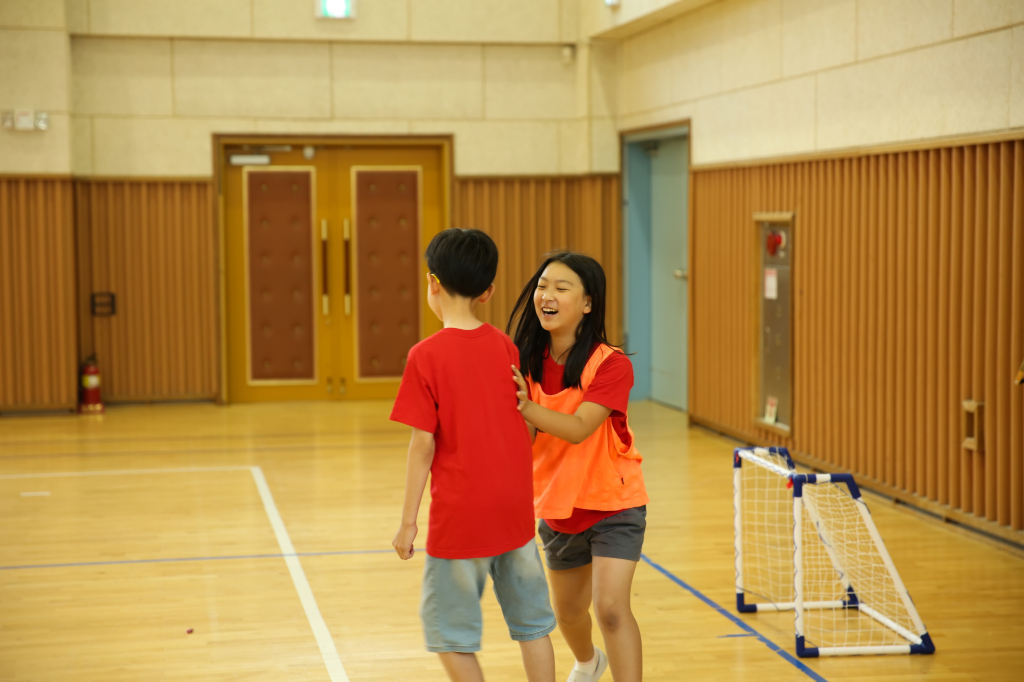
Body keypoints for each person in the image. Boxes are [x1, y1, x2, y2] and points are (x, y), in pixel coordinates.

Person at [391, 228, 557, 682]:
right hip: (515, 512)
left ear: (433, 283)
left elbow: (422, 444)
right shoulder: (505, 346)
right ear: (488, 292)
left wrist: (408, 521)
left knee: (448, 634)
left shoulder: (425, 356)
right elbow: (523, 422)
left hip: (462, 516)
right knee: (533, 626)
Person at [507, 252, 648, 682]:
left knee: (609, 609)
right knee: (568, 614)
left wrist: (525, 406)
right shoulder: (524, 361)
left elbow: (578, 428)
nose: (546, 295)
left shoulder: (611, 364)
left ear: (588, 303)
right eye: (542, 286)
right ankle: (588, 663)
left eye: (560, 288)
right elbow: (525, 442)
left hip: (613, 504)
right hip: (557, 506)